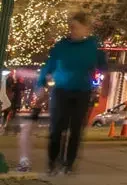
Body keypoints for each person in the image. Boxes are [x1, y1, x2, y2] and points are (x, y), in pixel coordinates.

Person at [36, 12, 107, 176]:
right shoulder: (61, 46)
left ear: (86, 29)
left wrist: (105, 85)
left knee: (76, 129)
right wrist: (40, 84)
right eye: (71, 27)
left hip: (82, 92)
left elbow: (103, 66)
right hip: (61, 91)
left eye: (76, 27)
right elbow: (49, 66)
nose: (72, 30)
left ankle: (68, 163)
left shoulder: (93, 47)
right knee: (57, 128)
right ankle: (53, 161)